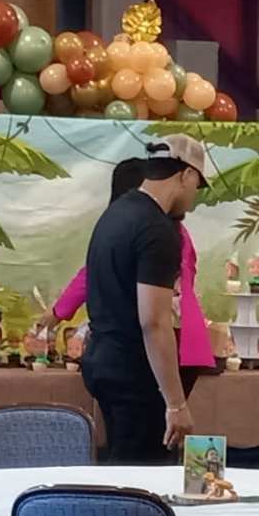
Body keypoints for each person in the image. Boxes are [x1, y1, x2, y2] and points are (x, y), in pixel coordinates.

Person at [79, 133, 210, 463]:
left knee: (121, 462)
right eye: (197, 186)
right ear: (187, 174)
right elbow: (154, 321)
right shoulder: (157, 229)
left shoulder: (115, 214)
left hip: (102, 360)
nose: (194, 198)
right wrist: (176, 403)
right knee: (142, 475)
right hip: (133, 371)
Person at [51, 156, 212, 392]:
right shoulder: (169, 231)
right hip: (181, 341)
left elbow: (93, 275)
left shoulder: (149, 231)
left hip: (152, 347)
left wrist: (57, 312)